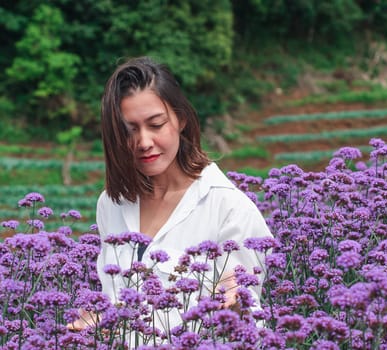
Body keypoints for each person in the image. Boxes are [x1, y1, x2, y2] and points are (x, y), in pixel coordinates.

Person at [69, 57, 272, 343]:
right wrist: (99, 321)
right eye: (129, 130)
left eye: (156, 124)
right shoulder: (111, 204)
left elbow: (248, 327)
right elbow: (118, 301)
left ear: (181, 119)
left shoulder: (229, 208)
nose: (143, 142)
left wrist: (237, 304)